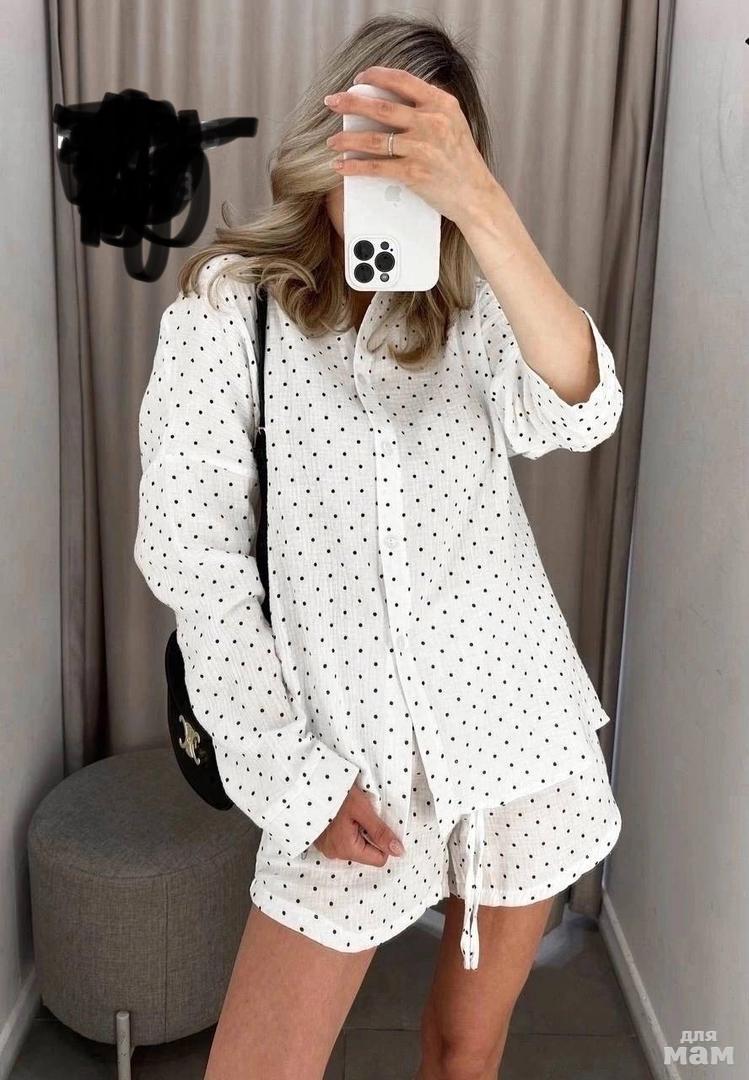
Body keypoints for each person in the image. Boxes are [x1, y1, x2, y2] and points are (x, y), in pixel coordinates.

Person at [134, 13, 623, 1080]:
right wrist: (294, 781)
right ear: (330, 139)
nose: (393, 178)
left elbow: (582, 410)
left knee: (464, 1052)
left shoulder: (474, 305)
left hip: (514, 732)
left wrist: (479, 206)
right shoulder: (230, 308)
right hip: (344, 753)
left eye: (426, 153)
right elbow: (195, 563)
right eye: (375, 142)